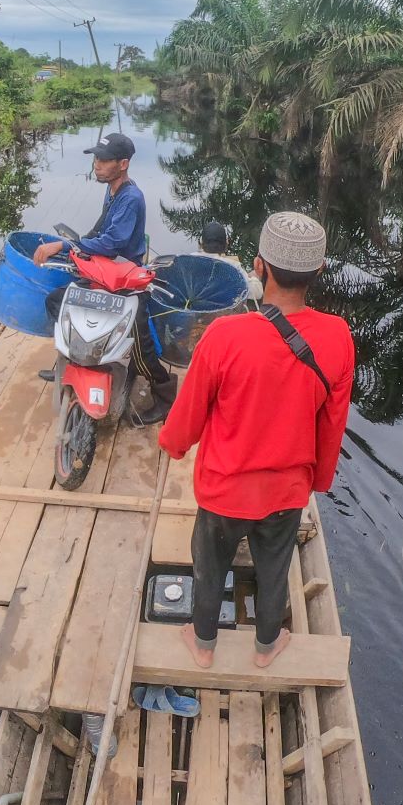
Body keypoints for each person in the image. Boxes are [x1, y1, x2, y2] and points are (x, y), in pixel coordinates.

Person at [157, 212, 354, 669]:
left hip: (225, 489)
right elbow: (332, 424)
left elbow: (188, 415)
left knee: (209, 567)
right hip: (286, 491)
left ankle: (203, 644)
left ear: (259, 266)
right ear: (319, 272)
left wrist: (173, 443)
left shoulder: (225, 334)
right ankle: (267, 647)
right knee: (274, 566)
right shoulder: (339, 337)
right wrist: (317, 480)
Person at [34, 132, 175, 419]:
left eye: (104, 160)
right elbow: (99, 233)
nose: (97, 164)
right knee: (57, 302)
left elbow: (112, 242)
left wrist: (64, 245)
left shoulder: (131, 198)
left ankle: (164, 393)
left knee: (140, 342)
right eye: (96, 159)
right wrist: (75, 249)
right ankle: (71, 361)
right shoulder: (111, 190)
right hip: (103, 272)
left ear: (123, 164)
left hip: (125, 280)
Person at [197, 221, 262, 303]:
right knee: (253, 275)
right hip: (222, 312)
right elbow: (257, 293)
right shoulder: (233, 266)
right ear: (226, 244)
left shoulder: (186, 262)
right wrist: (253, 278)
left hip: (194, 310)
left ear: (201, 244)